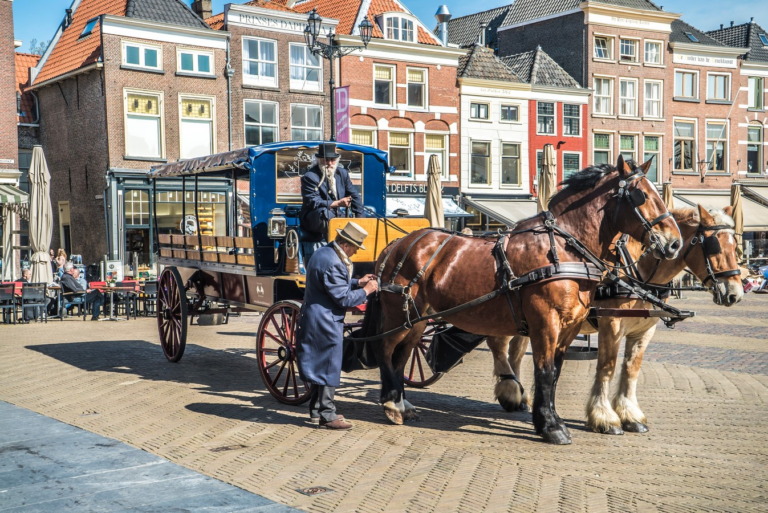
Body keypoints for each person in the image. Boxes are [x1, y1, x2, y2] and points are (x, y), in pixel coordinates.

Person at [295, 221, 378, 430]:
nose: (357, 252)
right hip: (325, 321)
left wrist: (357, 282)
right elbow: (343, 299)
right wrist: (367, 290)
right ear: (347, 244)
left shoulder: (323, 253)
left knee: (319, 364)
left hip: (316, 317)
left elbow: (331, 282)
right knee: (328, 365)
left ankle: (316, 411)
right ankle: (328, 415)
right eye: (356, 248)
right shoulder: (334, 262)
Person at [298, 142, 364, 262]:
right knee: (326, 214)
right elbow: (313, 202)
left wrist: (360, 220)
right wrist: (338, 203)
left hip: (336, 214)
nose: (329, 163)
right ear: (318, 160)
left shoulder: (342, 173)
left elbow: (354, 195)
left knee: (360, 218)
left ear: (336, 160)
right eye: (325, 160)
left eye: (332, 160)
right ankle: (335, 252)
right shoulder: (310, 176)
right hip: (313, 217)